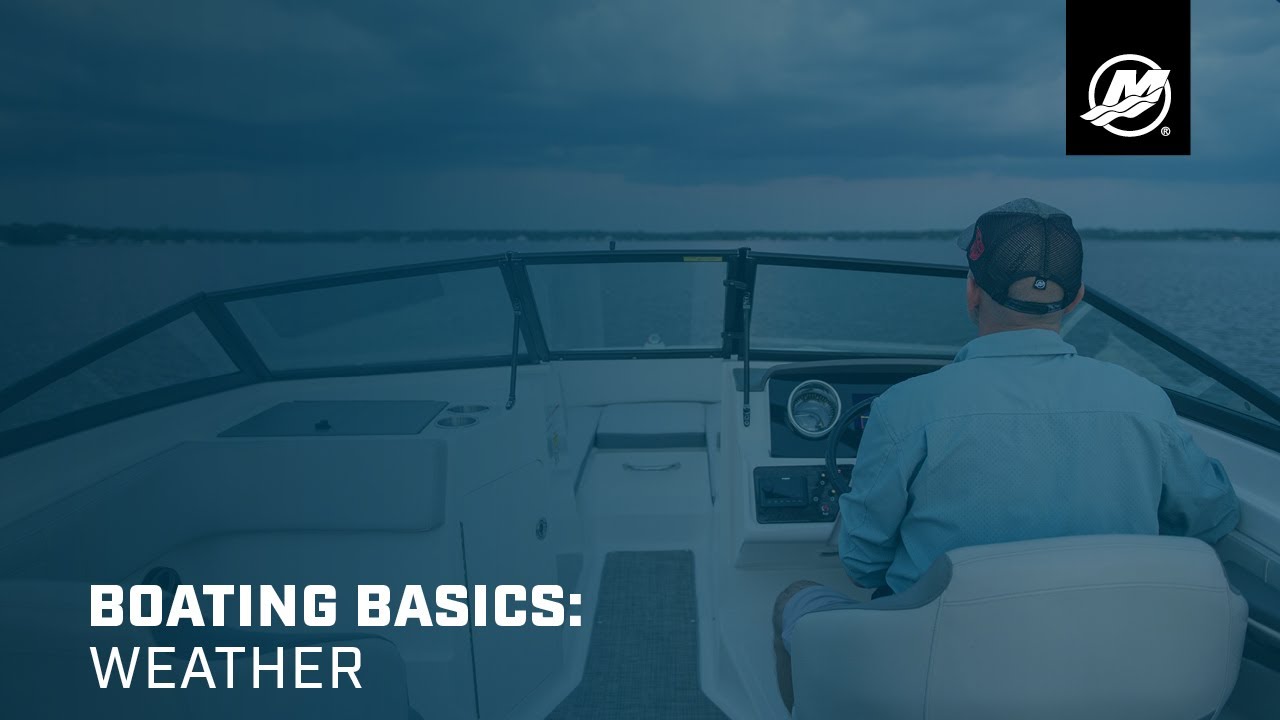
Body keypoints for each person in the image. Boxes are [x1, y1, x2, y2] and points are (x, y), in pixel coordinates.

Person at [772, 198, 1240, 710]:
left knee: (793, 598)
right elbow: (1213, 515)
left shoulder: (906, 409)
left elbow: (862, 563)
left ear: (972, 292)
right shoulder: (1146, 402)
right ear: (1077, 297)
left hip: (945, 681)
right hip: (1105, 670)